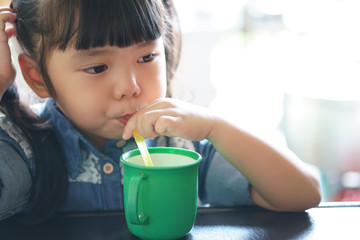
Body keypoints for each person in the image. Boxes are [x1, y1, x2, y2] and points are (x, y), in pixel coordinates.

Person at [0, 0, 321, 224]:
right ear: (37, 76)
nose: (130, 87)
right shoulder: (27, 151)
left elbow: (303, 193)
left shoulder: (180, 144)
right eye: (98, 67)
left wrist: (217, 129)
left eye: (146, 58)